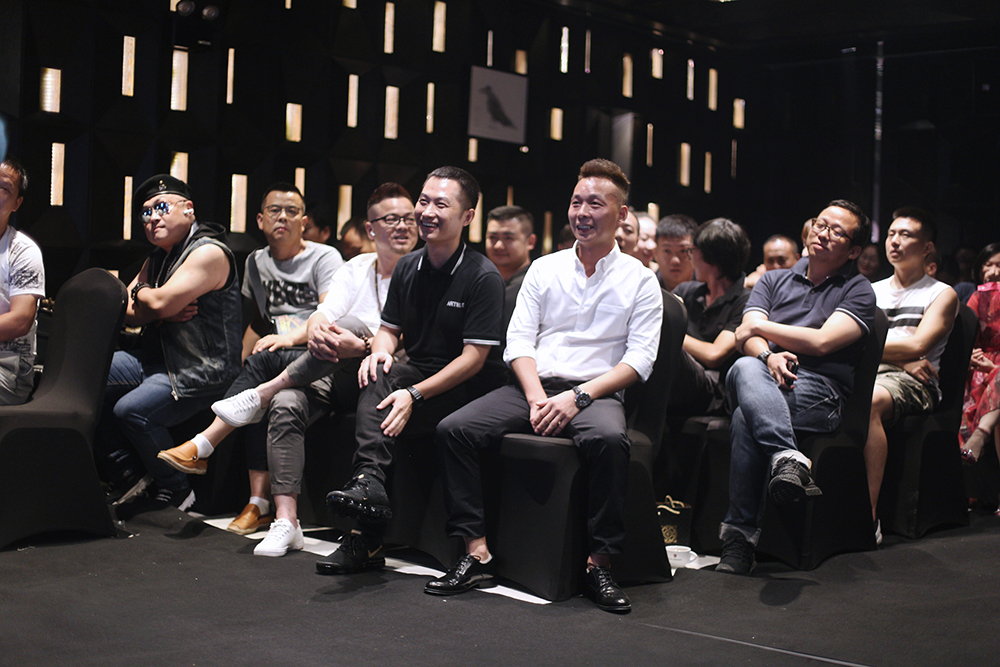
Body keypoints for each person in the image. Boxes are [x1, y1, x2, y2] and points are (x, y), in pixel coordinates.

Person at [427, 159, 662, 614]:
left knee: (609, 441)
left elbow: (639, 360)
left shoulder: (641, 280)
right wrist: (536, 397)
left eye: (595, 203)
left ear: (621, 214)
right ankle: (475, 552)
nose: (582, 212)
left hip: (595, 391)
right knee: (454, 429)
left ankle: (599, 564)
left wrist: (578, 397)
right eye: (576, 202)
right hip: (531, 386)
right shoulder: (544, 269)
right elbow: (518, 341)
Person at [320, 166, 506, 574]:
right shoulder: (408, 266)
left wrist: (414, 394)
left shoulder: (482, 276)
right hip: (418, 373)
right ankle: (368, 482)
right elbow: (389, 331)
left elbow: (473, 360)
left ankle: (365, 537)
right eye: (423, 201)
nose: (427, 212)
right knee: (378, 372)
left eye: (441, 204)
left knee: (390, 399)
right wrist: (380, 353)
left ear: (467, 216)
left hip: (469, 387)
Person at [157, 183, 342, 539]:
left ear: (304, 221)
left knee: (257, 379)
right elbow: (260, 321)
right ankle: (258, 503)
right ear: (260, 220)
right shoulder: (256, 261)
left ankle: (204, 445)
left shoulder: (324, 257)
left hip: (315, 356)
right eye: (275, 210)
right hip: (274, 357)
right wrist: (239, 360)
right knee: (254, 395)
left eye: (292, 211)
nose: (283, 217)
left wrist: (285, 339)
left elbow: (329, 317)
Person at [717, 200, 876, 575]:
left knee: (744, 417)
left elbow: (821, 342)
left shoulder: (858, 290)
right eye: (821, 224)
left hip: (820, 393)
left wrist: (761, 329)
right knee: (746, 364)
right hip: (764, 376)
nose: (823, 233)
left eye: (837, 231)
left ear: (854, 250)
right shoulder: (774, 280)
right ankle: (788, 458)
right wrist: (768, 356)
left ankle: (739, 541)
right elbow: (744, 338)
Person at [97, 174, 242, 510]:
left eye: (161, 207)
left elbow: (156, 302)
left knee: (130, 410)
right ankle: (129, 474)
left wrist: (147, 296)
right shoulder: (158, 257)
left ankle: (176, 487)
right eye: (146, 213)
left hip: (200, 369)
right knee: (89, 377)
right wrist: (157, 309)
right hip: (157, 359)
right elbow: (126, 310)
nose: (153, 218)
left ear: (188, 209)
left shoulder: (208, 251)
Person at [864, 208, 957, 536]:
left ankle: (867, 517)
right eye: (891, 234)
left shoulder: (941, 293)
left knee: (869, 401)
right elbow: (847, 342)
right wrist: (901, 357)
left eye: (905, 235)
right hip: (878, 370)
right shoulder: (871, 290)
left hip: (916, 382)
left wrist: (894, 357)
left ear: (927, 247)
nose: (895, 241)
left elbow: (918, 345)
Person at [669, 218, 751, 416]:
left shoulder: (746, 301)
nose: (690, 258)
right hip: (677, 383)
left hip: (712, 390)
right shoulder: (686, 291)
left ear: (711, 257)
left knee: (663, 342)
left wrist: (670, 335)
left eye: (691, 251)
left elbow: (714, 355)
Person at [0, 157, 44, 405]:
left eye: (4, 188)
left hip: (8, 371)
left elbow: (20, 320)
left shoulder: (23, 251)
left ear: (17, 203)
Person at [958, 243, 1000, 465]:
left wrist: (993, 369)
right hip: (981, 367)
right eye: (988, 264)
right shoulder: (976, 297)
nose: (994, 272)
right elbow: (967, 342)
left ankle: (980, 435)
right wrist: (971, 356)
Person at [484, 205, 536, 333]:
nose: (499, 246)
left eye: (508, 238)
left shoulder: (538, 282)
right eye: (493, 237)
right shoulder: (481, 280)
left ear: (530, 242)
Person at [654, 214, 698, 291]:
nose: (675, 261)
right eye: (667, 251)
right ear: (655, 253)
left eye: (683, 251)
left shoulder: (710, 291)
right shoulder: (645, 288)